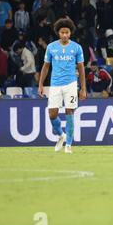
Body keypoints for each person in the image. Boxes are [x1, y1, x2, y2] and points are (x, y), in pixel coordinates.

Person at [38, 18, 87, 154]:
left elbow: (81, 68)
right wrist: (41, 84)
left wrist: (83, 88)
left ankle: (69, 145)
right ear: (58, 33)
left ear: (70, 33)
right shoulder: (51, 47)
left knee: (69, 112)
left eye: (67, 32)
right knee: (52, 113)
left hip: (71, 84)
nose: (65, 35)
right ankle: (61, 135)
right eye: (62, 32)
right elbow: (46, 66)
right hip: (55, 85)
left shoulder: (76, 47)